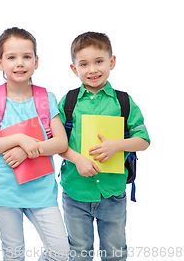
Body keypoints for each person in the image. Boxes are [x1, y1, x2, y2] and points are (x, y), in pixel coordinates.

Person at [0, 27, 69, 261]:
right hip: (4, 190)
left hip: (41, 190)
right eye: (11, 57)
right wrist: (19, 139)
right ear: (0, 63)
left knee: (60, 252)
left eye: (27, 56)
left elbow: (60, 142)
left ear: (36, 61)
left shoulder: (46, 98)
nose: (20, 63)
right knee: (14, 253)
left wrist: (25, 151)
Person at [58, 32, 150, 261]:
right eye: (84, 64)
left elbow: (144, 140)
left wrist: (118, 145)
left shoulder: (123, 101)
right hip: (75, 192)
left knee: (115, 252)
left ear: (112, 62)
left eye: (99, 61)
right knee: (79, 252)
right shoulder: (68, 102)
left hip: (113, 193)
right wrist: (78, 159)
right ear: (73, 69)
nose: (92, 69)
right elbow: (56, 143)